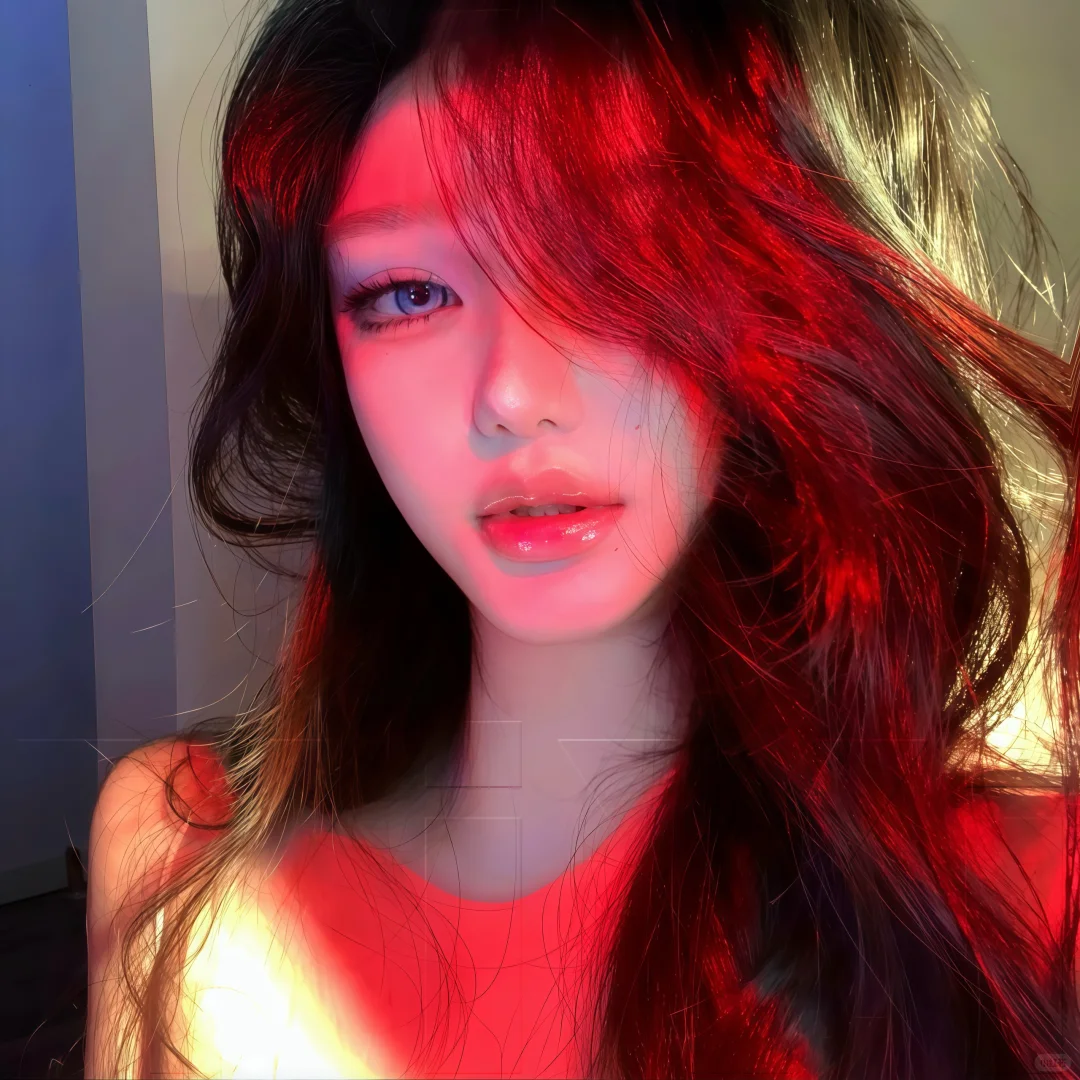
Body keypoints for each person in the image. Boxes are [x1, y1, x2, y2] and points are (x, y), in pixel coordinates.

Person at [85, 0, 1080, 1076]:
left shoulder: (1023, 894)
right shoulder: (177, 852)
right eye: (408, 292)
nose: (513, 395)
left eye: (620, 260)